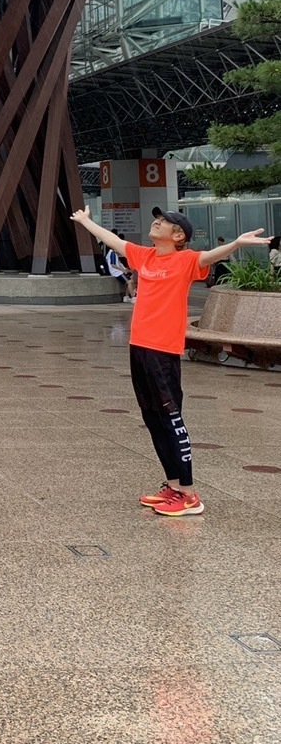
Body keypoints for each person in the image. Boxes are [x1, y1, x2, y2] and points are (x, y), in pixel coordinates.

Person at [72, 205, 267, 517]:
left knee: (171, 418)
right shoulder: (144, 257)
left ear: (178, 235)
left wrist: (236, 244)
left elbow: (208, 257)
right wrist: (85, 222)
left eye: (163, 222)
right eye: (157, 219)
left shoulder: (185, 260)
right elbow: (113, 241)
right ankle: (173, 486)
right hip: (139, 346)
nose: (156, 222)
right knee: (151, 417)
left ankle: (189, 494)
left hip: (163, 350)